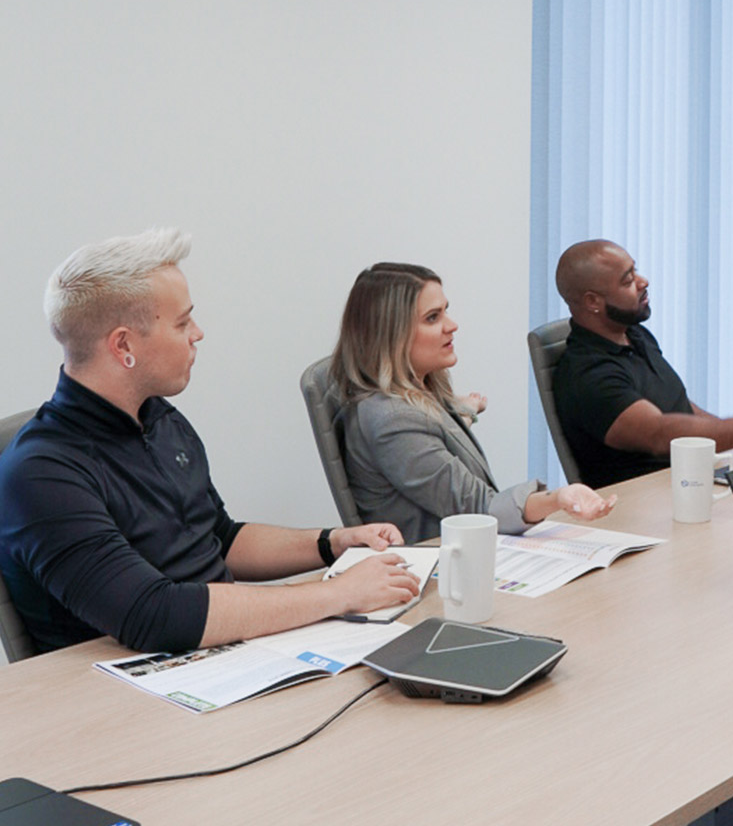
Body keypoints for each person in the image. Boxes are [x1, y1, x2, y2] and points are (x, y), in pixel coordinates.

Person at [0, 229, 421, 655]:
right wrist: (338, 594)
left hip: (216, 653)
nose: (197, 334)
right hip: (129, 678)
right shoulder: (40, 473)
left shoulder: (159, 418)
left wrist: (332, 543)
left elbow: (218, 538)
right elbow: (153, 616)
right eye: (182, 323)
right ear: (123, 344)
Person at [330, 263, 615, 544]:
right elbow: (480, 509)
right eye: (432, 318)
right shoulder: (393, 420)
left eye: (445, 311)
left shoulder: (416, 395)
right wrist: (560, 498)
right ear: (391, 335)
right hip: (438, 563)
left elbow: (432, 440)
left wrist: (463, 412)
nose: (452, 325)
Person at [551, 240, 733, 489]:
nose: (643, 281)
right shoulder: (588, 375)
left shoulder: (633, 335)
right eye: (628, 280)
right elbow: (659, 434)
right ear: (593, 301)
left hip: (688, 480)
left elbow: (679, 405)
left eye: (636, 271)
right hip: (646, 500)